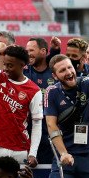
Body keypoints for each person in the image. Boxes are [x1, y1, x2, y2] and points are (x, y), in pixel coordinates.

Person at [24, 37, 59, 165]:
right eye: (26, 50)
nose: (28, 53)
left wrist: (55, 51)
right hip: (27, 134)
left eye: (31, 50)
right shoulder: (24, 71)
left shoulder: (55, 72)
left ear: (43, 51)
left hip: (50, 134)